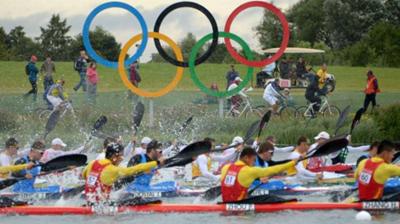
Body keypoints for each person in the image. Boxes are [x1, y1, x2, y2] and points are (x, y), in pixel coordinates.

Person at [82, 142, 163, 204]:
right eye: (121, 156)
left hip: (90, 202)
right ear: (114, 157)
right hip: (103, 206)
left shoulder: (92, 163)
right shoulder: (113, 169)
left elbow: (84, 175)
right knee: (139, 198)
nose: (122, 158)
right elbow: (134, 169)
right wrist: (157, 162)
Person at [220, 147, 296, 202]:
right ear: (246, 158)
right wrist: (292, 163)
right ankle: (290, 203)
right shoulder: (248, 170)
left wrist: (259, 179)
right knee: (270, 198)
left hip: (226, 202)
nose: (254, 163)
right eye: (253, 160)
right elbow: (272, 169)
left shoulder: (226, 167)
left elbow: (237, 181)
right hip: (238, 204)